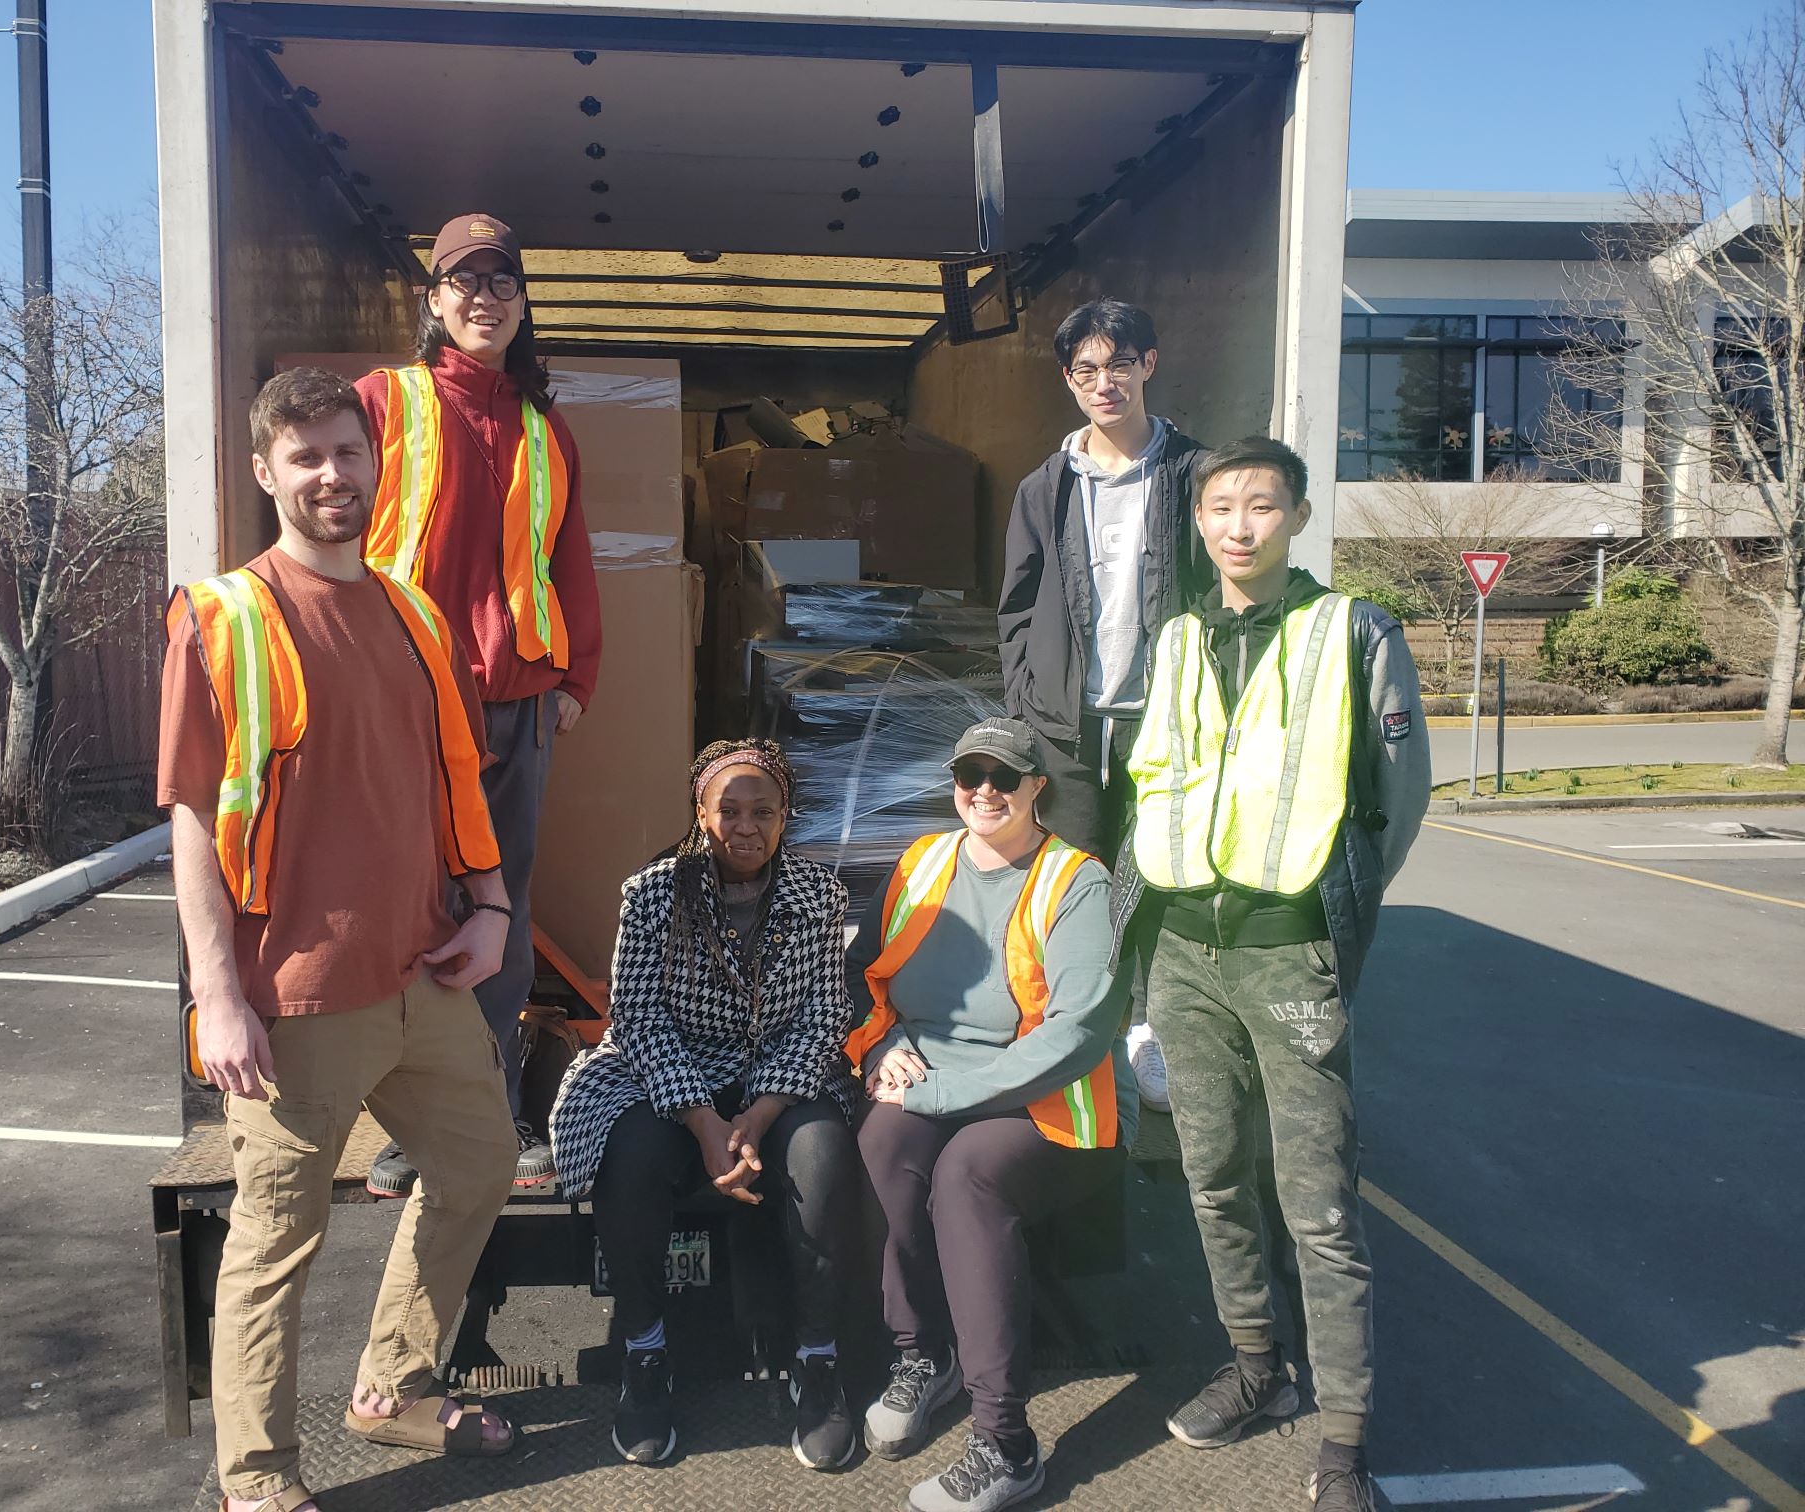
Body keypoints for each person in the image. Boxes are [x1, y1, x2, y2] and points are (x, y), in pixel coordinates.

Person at [161, 368, 520, 1512]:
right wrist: (217, 997)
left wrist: (494, 904)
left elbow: (455, 777)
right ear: (265, 472)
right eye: (303, 456)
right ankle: (257, 1480)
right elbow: (190, 825)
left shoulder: (411, 610)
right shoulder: (220, 618)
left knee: (478, 1167)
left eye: (346, 454)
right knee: (277, 1243)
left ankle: (394, 1390)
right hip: (296, 998)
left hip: (424, 970)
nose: (330, 475)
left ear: (376, 466)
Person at [1117, 436, 1430, 1512]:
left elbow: (1397, 798)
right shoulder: (1175, 637)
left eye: (1260, 505)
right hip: (1183, 952)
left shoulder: (1352, 631)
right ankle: (1257, 1365)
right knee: (1209, 1173)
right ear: (1198, 522)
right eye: (1220, 507)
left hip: (1288, 947)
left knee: (1318, 1201)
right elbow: (1153, 779)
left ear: (1296, 516)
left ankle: (1343, 1443)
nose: (1238, 525)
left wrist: (1332, 918)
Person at [357, 212, 603, 1195]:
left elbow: (571, 565)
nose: (483, 298)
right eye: (464, 281)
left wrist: (576, 682)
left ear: (523, 301)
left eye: (501, 281)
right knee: (408, 914)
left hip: (518, 709)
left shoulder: (546, 431)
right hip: (406, 710)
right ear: (434, 299)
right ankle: (411, 1128)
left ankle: (490, 1117)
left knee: (498, 920)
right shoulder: (383, 403)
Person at [549, 740, 863, 1470]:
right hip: (668, 1071)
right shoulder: (654, 892)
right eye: (729, 810)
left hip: (777, 1078)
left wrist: (755, 1118)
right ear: (701, 814)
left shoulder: (819, 896)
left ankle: (818, 1359)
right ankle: (645, 1351)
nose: (745, 827)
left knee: (823, 1154)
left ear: (785, 819)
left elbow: (824, 1018)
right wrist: (703, 1120)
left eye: (762, 812)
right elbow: (639, 1018)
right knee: (627, 1154)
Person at [846, 717, 1123, 1512]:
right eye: (971, 774)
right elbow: (859, 971)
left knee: (967, 1176)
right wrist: (879, 1045)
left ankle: (1005, 1441)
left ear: (1040, 787)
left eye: (1005, 777)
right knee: (882, 1147)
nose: (985, 791)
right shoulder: (922, 861)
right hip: (928, 1074)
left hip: (1043, 1103)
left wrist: (936, 1093)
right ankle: (921, 1356)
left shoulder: (1077, 882)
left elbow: (1078, 1033)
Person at [996, 298, 1209, 865]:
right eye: (1085, 371)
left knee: (1160, 878)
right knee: (1074, 880)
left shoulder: (1197, 475)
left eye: (1120, 365)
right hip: (1067, 728)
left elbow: (1223, 587)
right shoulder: (1043, 489)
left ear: (1149, 365)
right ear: (1069, 379)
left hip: (1168, 723)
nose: (1104, 384)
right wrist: (1027, 702)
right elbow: (1016, 608)